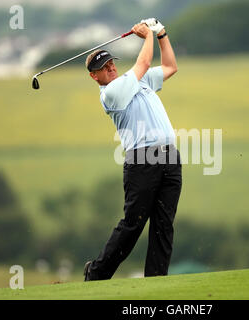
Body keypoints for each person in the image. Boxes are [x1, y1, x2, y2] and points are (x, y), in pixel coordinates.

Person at [83, 18, 182, 281]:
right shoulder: (112, 92)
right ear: (95, 76)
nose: (111, 67)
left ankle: (157, 280)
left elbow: (171, 66)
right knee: (133, 223)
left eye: (111, 62)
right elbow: (144, 63)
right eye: (104, 67)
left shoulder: (139, 81)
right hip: (142, 160)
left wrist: (162, 35)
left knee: (164, 224)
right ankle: (96, 273)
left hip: (170, 156)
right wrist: (148, 35)